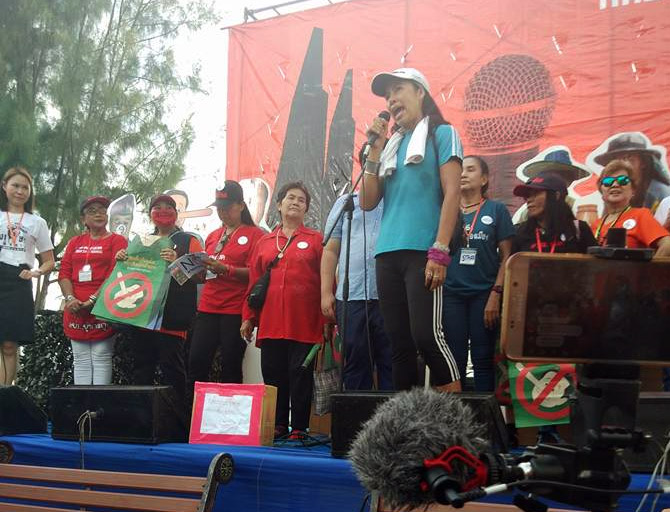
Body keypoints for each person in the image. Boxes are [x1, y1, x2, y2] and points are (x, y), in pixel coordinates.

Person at [359, 67, 462, 392]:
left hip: (424, 251)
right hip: (387, 253)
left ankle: (457, 418)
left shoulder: (442, 134)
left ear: (420, 92)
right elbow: (367, 201)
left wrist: (440, 250)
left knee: (426, 336)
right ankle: (404, 428)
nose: (391, 99)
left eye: (398, 89)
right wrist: (374, 152)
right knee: (399, 344)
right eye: (387, 94)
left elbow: (453, 194)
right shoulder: (390, 146)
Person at [512, 171, 598, 444]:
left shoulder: (579, 230)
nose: (529, 200)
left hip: (569, 320)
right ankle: (538, 442)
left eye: (535, 193)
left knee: (565, 378)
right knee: (532, 377)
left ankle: (567, 443)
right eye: (527, 195)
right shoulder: (522, 233)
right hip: (531, 319)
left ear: (557, 195)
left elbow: (596, 273)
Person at [241, 182, 324, 439]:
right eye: (290, 198)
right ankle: (277, 425)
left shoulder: (316, 240)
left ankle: (299, 427)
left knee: (300, 375)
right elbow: (254, 284)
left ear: (306, 209)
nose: (295, 202)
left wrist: (328, 320)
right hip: (271, 321)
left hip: (305, 322)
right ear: (278, 204)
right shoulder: (265, 242)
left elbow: (326, 280)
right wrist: (248, 318)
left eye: (301, 200)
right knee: (274, 376)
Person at [115, 194, 203, 412]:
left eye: (168, 207)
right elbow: (132, 277)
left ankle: (177, 420)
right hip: (143, 315)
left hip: (173, 317)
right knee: (141, 369)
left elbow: (199, 277)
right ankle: (140, 418)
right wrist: (123, 259)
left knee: (172, 369)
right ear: (150, 214)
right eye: (157, 207)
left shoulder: (187, 240)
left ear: (176, 213)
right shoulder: (142, 241)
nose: (163, 211)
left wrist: (176, 263)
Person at [442, 156, 515, 392]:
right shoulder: (446, 211)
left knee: (483, 359)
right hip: (451, 295)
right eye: (460, 170)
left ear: (484, 179)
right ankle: (457, 422)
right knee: (455, 361)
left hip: (484, 295)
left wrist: (496, 293)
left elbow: (507, 257)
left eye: (470, 170)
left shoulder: (497, 210)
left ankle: (485, 423)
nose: (463, 174)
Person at [187, 182, 264, 402]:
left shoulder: (255, 234)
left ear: (240, 205)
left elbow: (256, 273)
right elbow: (206, 272)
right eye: (219, 207)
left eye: (227, 207)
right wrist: (193, 271)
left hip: (234, 309)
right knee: (197, 362)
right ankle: (191, 419)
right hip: (207, 307)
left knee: (230, 365)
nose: (223, 212)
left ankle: (229, 420)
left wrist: (226, 270)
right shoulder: (213, 235)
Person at [321, 195, 392, 391]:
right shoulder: (346, 201)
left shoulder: (397, 198)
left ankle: (392, 420)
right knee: (355, 362)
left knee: (392, 363)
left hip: (390, 297)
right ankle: (355, 420)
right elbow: (330, 250)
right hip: (351, 295)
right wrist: (326, 292)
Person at [59, 196, 127, 385]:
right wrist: (70, 298)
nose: (98, 213)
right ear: (83, 219)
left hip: (102, 306)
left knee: (101, 356)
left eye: (103, 210)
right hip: (75, 308)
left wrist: (93, 299)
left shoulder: (117, 240)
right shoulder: (74, 242)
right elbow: (64, 272)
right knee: (79, 359)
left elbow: (116, 272)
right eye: (92, 210)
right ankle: (83, 412)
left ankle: (98, 410)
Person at [0, 167, 55, 385]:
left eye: (25, 187)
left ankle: (4, 395)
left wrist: (37, 271)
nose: (20, 191)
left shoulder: (37, 222)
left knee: (10, 344)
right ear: (5, 187)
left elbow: (49, 260)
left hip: (19, 279)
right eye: (15, 185)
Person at [591, 159, 670, 257]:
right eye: (608, 182)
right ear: (602, 192)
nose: (615, 185)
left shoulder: (640, 215)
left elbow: (667, 245)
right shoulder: (595, 224)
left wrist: (650, 271)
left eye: (623, 180)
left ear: (633, 190)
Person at [592, 132, 670, 213]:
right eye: (617, 159)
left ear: (643, 162)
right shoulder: (614, 191)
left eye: (628, 158)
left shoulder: (660, 193)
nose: (623, 163)